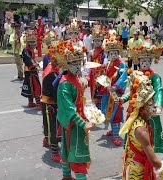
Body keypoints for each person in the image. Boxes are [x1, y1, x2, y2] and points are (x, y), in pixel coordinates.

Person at [119, 76, 163, 180]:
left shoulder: (141, 120)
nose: (155, 106)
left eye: (154, 102)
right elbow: (154, 161)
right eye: (150, 104)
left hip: (136, 166)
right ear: (141, 109)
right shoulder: (141, 129)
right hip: (137, 173)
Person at [55, 40, 94, 180]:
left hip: (74, 121)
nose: (78, 66)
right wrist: (84, 124)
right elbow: (69, 109)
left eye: (79, 63)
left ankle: (66, 177)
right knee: (78, 156)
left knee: (66, 150)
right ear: (67, 64)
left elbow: (78, 99)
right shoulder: (65, 83)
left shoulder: (73, 78)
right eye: (74, 63)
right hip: (74, 123)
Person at [122, 44, 163, 153]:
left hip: (147, 111)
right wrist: (123, 99)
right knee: (132, 134)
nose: (146, 64)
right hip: (134, 110)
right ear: (138, 61)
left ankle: (147, 157)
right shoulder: (135, 74)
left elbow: (159, 91)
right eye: (144, 61)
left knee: (147, 135)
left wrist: (159, 107)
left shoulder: (155, 77)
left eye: (148, 61)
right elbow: (133, 92)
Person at [101, 39, 127, 146]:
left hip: (116, 93)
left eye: (115, 53)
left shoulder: (121, 65)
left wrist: (115, 87)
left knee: (116, 113)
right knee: (109, 112)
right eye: (111, 53)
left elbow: (123, 77)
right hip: (108, 92)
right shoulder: (109, 63)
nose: (113, 55)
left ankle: (116, 135)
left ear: (118, 53)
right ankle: (113, 130)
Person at [41, 44, 62, 161]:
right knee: (53, 126)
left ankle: (46, 139)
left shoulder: (50, 67)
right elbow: (56, 92)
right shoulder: (52, 73)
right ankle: (55, 151)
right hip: (51, 103)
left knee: (47, 123)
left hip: (46, 101)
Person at [21, 29, 42, 110]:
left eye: (34, 42)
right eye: (32, 42)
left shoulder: (30, 50)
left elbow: (32, 59)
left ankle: (30, 102)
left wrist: (36, 63)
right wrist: (34, 65)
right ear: (28, 43)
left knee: (31, 87)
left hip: (31, 71)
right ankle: (38, 104)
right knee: (35, 87)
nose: (33, 44)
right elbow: (28, 59)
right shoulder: (26, 50)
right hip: (30, 71)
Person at [88, 25, 106, 109]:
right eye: (95, 40)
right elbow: (89, 64)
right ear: (93, 41)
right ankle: (95, 107)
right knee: (93, 92)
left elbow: (105, 63)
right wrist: (88, 75)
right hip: (93, 74)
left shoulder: (104, 52)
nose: (97, 42)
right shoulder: (91, 52)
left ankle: (101, 107)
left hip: (101, 74)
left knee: (101, 91)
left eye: (99, 41)